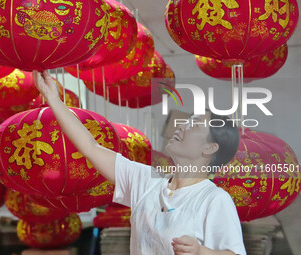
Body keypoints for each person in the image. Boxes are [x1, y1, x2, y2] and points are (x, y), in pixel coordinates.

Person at [33, 70, 247, 255]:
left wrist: (201, 251)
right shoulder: (147, 182)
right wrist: (53, 98)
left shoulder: (214, 199)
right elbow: (90, 147)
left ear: (209, 148)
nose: (181, 127)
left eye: (194, 125)